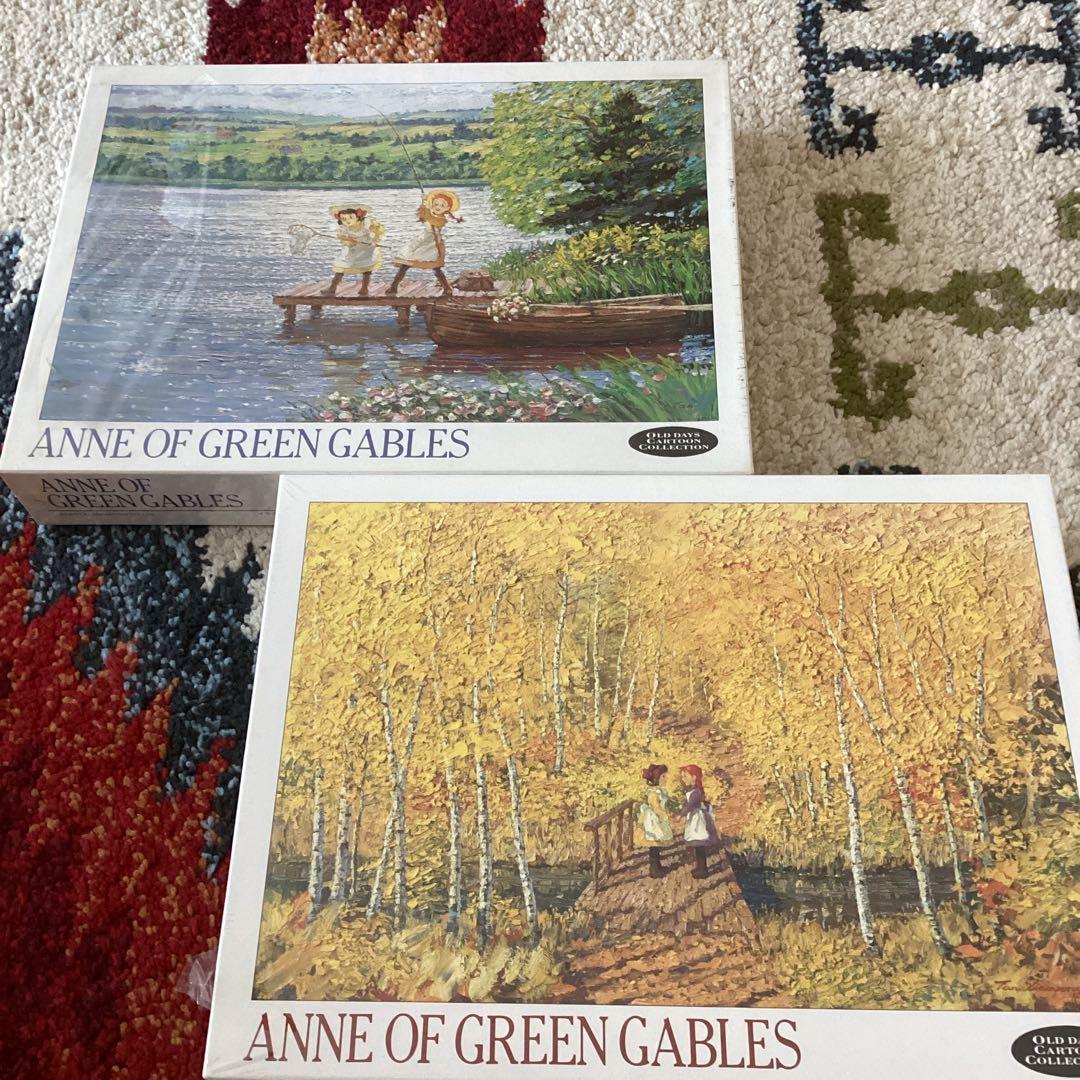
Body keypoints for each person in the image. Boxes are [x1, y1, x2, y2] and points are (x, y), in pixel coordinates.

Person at [387, 189, 462, 298]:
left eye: (442, 205)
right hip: (423, 241)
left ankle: (447, 288)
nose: (438, 207)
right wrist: (424, 202)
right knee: (406, 263)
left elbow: (430, 218)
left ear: (447, 208)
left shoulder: (440, 219)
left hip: (432, 243)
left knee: (435, 267)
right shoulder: (430, 214)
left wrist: (425, 203)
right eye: (436, 204)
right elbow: (423, 216)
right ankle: (394, 286)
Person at [323, 204, 383, 296]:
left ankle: (364, 289)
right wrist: (349, 241)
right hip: (350, 251)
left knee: (366, 269)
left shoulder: (366, 224)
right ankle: (332, 288)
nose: (347, 221)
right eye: (344, 219)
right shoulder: (343, 228)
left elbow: (377, 232)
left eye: (351, 217)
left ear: (358, 217)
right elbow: (343, 239)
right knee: (340, 267)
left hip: (366, 250)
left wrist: (374, 240)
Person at [677, 764, 719, 879]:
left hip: (697, 820)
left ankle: (703, 870)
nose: (683, 779)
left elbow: (690, 805)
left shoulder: (696, 792)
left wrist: (682, 815)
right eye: (683, 777)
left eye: (685, 776)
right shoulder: (693, 790)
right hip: (694, 818)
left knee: (699, 845)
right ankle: (701, 867)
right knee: (698, 846)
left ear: (694, 777)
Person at [638, 764, 674, 878]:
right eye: (663, 776)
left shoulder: (659, 791)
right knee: (654, 845)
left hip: (657, 819)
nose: (666, 778)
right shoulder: (653, 793)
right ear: (656, 778)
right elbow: (656, 807)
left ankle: (657, 866)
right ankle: (654, 870)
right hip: (653, 821)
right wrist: (665, 816)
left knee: (657, 845)